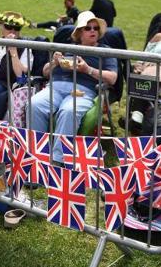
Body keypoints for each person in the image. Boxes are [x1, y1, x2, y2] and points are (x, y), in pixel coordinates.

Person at [30, 11, 118, 164]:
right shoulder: (66, 47)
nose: (92, 31)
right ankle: (37, 156)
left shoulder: (105, 51)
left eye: (96, 28)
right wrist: (55, 62)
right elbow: (45, 72)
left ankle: (58, 159)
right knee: (34, 104)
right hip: (55, 88)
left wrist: (88, 70)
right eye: (88, 28)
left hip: (82, 91)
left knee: (69, 111)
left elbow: (113, 78)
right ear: (79, 32)